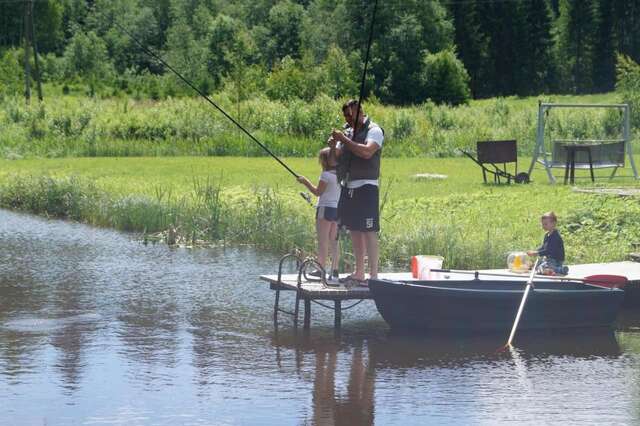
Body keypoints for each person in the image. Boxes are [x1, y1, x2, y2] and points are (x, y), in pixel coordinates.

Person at [328, 99, 384, 286]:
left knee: (369, 230)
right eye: (345, 116)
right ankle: (359, 272)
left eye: (350, 116)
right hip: (349, 186)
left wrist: (344, 140)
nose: (348, 120)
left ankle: (373, 275)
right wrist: (334, 145)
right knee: (354, 230)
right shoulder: (348, 132)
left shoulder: (374, 130)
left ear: (360, 112)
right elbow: (334, 161)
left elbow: (367, 152)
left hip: (367, 186)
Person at [297, 147, 341, 281]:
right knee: (334, 241)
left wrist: (305, 182)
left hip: (324, 209)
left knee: (322, 241)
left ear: (325, 161)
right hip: (337, 210)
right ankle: (335, 270)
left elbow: (317, 192)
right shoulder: (340, 175)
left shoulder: (326, 175)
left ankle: (320, 269)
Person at [527, 211, 569, 275]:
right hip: (549, 259)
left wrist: (537, 253)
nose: (543, 226)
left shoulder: (556, 236)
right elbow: (543, 247)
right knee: (536, 265)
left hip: (556, 260)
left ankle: (559, 269)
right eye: (543, 224)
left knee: (541, 267)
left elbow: (549, 250)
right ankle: (549, 270)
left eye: (546, 224)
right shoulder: (547, 235)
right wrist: (535, 251)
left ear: (554, 223)